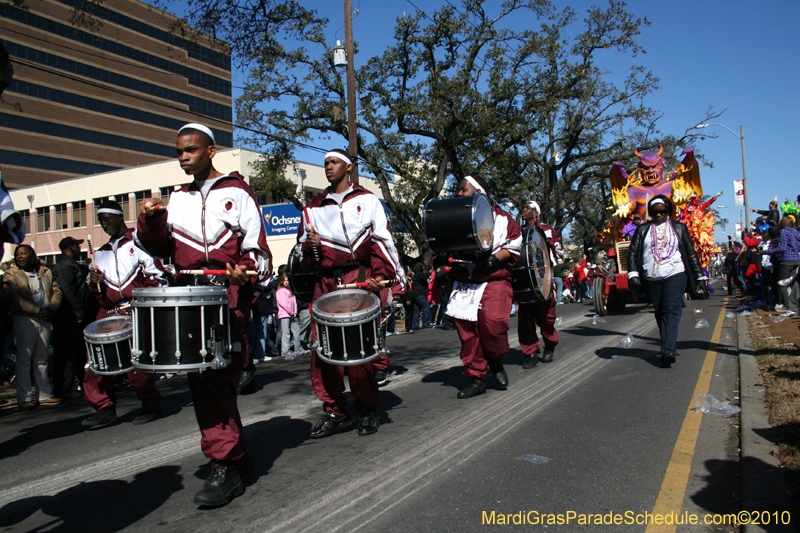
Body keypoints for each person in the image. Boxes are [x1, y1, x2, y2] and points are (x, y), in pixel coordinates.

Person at [136, 123, 271, 507]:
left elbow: (256, 246)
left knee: (215, 380)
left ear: (211, 152)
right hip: (189, 296)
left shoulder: (238, 192)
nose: (183, 157)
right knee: (207, 381)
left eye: (190, 150)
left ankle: (226, 464)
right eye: (179, 151)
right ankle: (232, 457)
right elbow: (160, 247)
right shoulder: (176, 198)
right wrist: (151, 219)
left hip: (227, 296)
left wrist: (245, 269)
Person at [298, 148, 405, 438]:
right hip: (326, 285)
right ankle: (335, 410)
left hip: (359, 278)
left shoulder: (368, 200)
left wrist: (383, 276)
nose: (328, 167)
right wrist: (311, 245)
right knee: (323, 353)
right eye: (325, 164)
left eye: (333, 162)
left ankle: (368, 408)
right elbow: (307, 258)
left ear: (349, 167)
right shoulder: (313, 206)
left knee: (359, 351)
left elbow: (382, 240)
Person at [82, 200, 166, 428]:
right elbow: (97, 295)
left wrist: (140, 301)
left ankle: (151, 405)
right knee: (96, 362)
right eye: (100, 221)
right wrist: (94, 283)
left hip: (135, 310)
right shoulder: (100, 254)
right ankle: (104, 408)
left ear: (119, 217)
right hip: (107, 313)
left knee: (137, 362)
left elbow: (157, 277)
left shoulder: (140, 244)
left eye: (107, 219)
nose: (104, 224)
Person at [445, 175, 521, 398]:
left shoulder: (504, 218)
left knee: (493, 325)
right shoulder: (455, 217)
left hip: (494, 279)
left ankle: (495, 360)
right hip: (465, 281)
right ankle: (476, 378)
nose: (459, 194)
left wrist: (496, 258)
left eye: (463, 190)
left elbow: (515, 243)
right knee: (468, 333)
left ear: (479, 193)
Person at [628, 195, 706, 367]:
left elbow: (691, 253)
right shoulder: (643, 230)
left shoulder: (679, 228)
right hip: (651, 277)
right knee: (660, 312)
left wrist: (700, 275)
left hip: (675, 274)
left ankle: (668, 350)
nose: (659, 215)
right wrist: (633, 274)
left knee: (671, 310)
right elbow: (633, 252)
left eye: (662, 211)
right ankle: (667, 345)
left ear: (668, 211)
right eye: (655, 212)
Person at [4, 244, 63, 409]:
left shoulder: (44, 271)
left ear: (32, 255)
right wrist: (37, 310)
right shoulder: (12, 273)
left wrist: (51, 308)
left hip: (45, 318)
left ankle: (44, 395)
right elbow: (14, 298)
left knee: (41, 359)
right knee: (24, 359)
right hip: (24, 319)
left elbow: (56, 291)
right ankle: (24, 397)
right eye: (17, 254)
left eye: (23, 253)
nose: (20, 257)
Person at [516, 199, 559, 369]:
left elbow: (557, 250)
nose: (523, 210)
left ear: (535, 212)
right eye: (523, 207)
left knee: (546, 318)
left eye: (527, 208)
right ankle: (530, 352)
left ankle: (550, 343)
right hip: (526, 279)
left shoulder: (547, 230)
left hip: (544, 277)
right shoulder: (517, 232)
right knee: (525, 319)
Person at [51, 236, 92, 400]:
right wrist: (79, 312)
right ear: (70, 248)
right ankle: (63, 387)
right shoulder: (65, 266)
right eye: (77, 246)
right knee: (67, 353)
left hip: (71, 316)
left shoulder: (70, 265)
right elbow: (69, 291)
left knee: (74, 352)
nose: (79, 249)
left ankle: (70, 385)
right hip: (67, 317)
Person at [763, 216, 800, 316]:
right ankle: (795, 306)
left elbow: (782, 248)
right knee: (792, 284)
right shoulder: (796, 232)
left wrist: (766, 252)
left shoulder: (784, 232)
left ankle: (788, 305)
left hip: (787, 260)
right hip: (796, 260)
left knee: (782, 283)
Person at [276, 273, 304, 358]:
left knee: (296, 331)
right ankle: (285, 351)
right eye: (284, 280)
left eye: (287, 280)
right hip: (285, 314)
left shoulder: (290, 291)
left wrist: (294, 311)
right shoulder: (280, 291)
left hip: (292, 314)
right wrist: (290, 312)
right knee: (286, 332)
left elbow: (294, 302)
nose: (286, 282)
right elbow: (283, 303)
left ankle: (298, 349)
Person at [410, 261, 432, 330]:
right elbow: (424, 277)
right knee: (426, 307)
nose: (424, 267)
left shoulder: (415, 275)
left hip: (415, 294)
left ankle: (415, 326)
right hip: (420, 293)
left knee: (416, 310)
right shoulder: (419, 274)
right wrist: (429, 271)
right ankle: (426, 323)